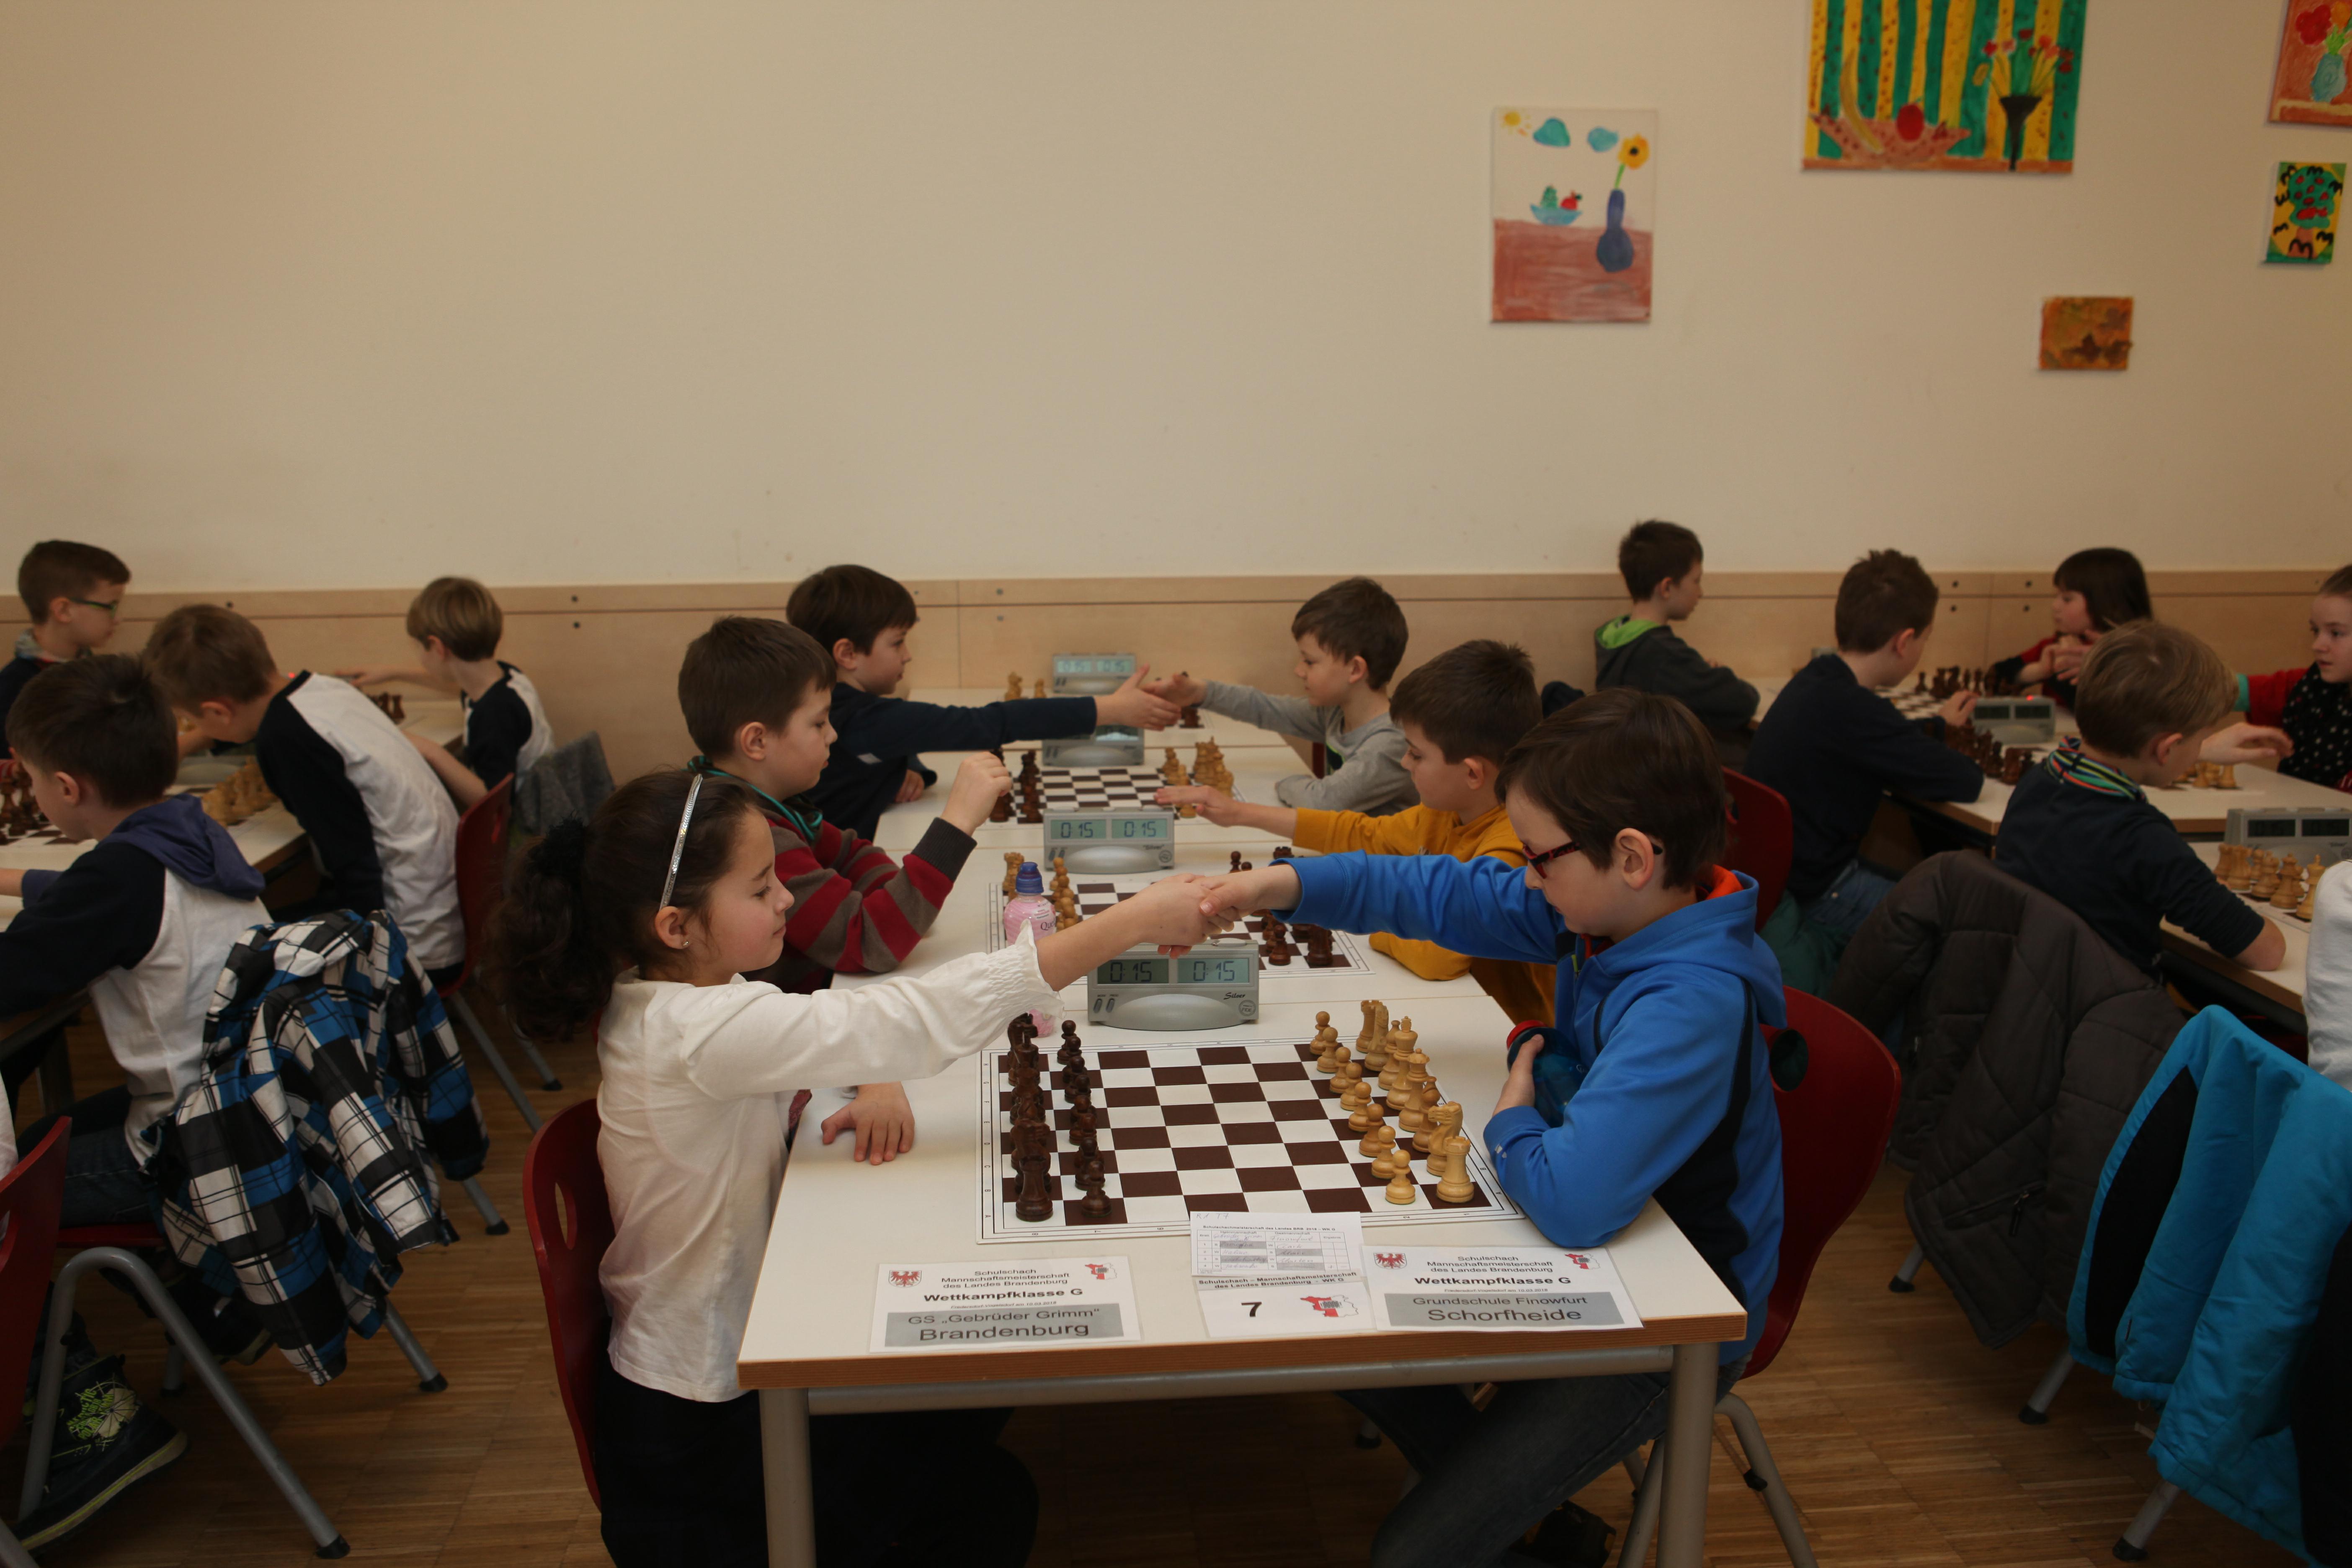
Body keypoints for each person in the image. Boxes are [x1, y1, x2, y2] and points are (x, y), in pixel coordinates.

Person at [487, 766, 1222, 1567]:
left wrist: (867, 1073)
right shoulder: (698, 1030)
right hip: (703, 1442)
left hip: (699, 1375)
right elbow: (908, 1017)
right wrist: (1129, 921)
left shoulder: (666, 998)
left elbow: (811, 1043)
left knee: (983, 1424)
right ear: (676, 925)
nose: (786, 898)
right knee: (994, 1468)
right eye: (760, 886)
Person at [1189, 689, 1783, 1568]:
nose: (1526, 879)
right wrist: (1277, 886)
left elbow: (1574, 1201)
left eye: (1537, 857)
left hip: (1674, 1311)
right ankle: (1535, 1522)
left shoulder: (1690, 999)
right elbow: (1438, 888)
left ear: (1630, 855)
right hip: (1599, 1245)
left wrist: (1513, 1112)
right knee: (1328, 1326)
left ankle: (1515, 1520)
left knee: (1409, 1554)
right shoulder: (1616, 909)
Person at [0, 656, 280, 1549]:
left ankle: (94, 1415)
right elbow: (102, 896)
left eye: (30, 778)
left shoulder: (118, 881)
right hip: (258, 1121)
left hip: (187, 1149)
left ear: (65, 788)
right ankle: (210, 1306)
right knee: (45, 1135)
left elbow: (13, 974)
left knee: (11, 1202)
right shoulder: (187, 831)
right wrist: (28, 884)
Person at [678, 615, 1010, 1163]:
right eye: (818, 723)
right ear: (757, 740)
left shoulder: (770, 804)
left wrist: (891, 903)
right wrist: (955, 825)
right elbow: (871, 941)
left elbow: (855, 854)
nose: (833, 735)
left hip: (814, 1029)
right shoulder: (750, 834)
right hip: (776, 1085)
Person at [1156, 638, 1554, 1022]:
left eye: (1417, 754)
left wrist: (1380, 927)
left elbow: (1438, 959)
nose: (1405, 762)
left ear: (1472, 774)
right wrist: (1240, 813)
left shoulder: (1513, 850)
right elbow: (1362, 834)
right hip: (1451, 1007)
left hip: (1505, 1030)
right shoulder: (1445, 812)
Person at [142, 603, 464, 985]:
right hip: (440, 910)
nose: (194, 729)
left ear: (217, 711)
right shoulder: (321, 689)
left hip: (408, 944)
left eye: (192, 719)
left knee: (220, 953)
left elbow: (354, 861)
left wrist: (370, 972)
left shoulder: (288, 740)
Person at [784, 563, 1176, 840]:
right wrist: (1109, 710)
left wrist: (905, 767)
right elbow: (990, 724)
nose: (907, 655)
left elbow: (897, 738)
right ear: (848, 654)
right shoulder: (865, 721)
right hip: (835, 878)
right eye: (898, 642)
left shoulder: (842, 710)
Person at [1743, 551, 1984, 993]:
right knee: (1960, 924)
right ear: (1904, 642)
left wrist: (1935, 726)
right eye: (1926, 639)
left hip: (1782, 876)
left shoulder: (1818, 679)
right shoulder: (1855, 709)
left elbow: (1872, 737)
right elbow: (1965, 780)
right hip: (1818, 890)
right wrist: (1938, 737)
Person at [1996, 622, 2288, 976]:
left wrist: (2197, 751)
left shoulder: (2038, 781)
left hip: (2025, 987)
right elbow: (2267, 953)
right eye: (2200, 740)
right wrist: (2214, 892)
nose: (2200, 749)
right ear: (2166, 749)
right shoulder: (2144, 840)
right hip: (2111, 1004)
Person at [1144, 576, 1416, 814]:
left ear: (1355, 669)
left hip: (1386, 858)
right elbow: (1265, 708)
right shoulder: (1336, 714)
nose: (1299, 671)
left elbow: (1322, 802)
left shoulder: (1390, 743)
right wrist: (1200, 692)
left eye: (1309, 661)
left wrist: (1289, 784)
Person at [338, 575, 555, 807]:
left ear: (437, 647)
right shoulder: (505, 677)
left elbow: (495, 803)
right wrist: (393, 673)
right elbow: (454, 680)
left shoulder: (494, 715)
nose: (420, 657)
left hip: (524, 824)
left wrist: (432, 751)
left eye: (418, 647)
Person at [1593, 521, 1758, 754]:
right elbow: (1743, 701)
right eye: (1696, 581)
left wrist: (1700, 673)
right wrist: (1717, 674)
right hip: (1660, 769)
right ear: (1667, 588)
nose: (1701, 592)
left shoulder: (1613, 636)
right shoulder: (1665, 655)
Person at [0, 540, 130, 752]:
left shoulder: (103, 674)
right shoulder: (14, 687)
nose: (118, 619)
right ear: (63, 611)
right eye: (111, 607)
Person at [2234, 563, 2352, 792]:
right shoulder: (2311, 687)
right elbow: (2235, 691)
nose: (2317, 645)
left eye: (2336, 633)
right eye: (2316, 631)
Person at [1988, 547, 2152, 709]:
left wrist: (2071, 671)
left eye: (2067, 599)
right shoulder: (2056, 645)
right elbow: (1994, 678)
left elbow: (2096, 710)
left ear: (2106, 602)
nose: (2055, 606)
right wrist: (2040, 670)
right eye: (2056, 596)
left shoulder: (2140, 654)